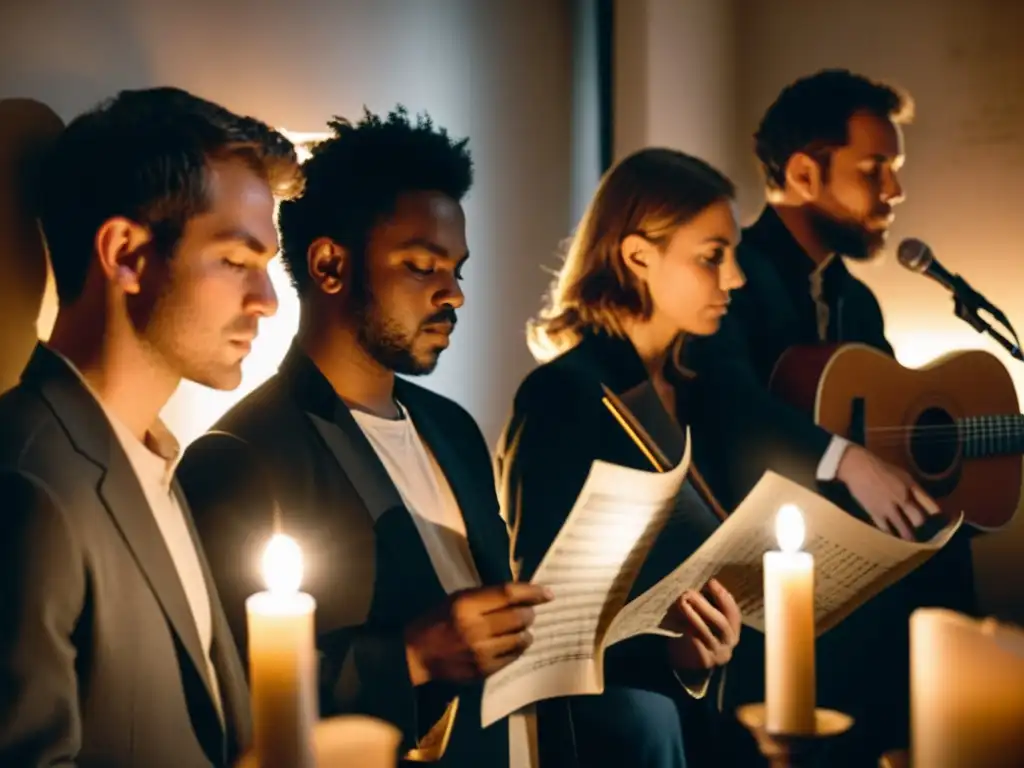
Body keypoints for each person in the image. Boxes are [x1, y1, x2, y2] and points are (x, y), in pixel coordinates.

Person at [177, 107, 550, 768]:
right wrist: (408, 657)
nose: (453, 295)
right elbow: (228, 692)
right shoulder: (240, 459)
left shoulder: (454, 429)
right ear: (328, 265)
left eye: (457, 269)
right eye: (421, 266)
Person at [0, 86, 302, 766]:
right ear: (126, 254)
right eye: (236, 260)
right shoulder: (29, 483)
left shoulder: (150, 459)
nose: (266, 300)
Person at [686, 69, 973, 765]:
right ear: (805, 172)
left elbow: (898, 427)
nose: (895, 192)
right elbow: (725, 399)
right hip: (765, 589)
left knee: (948, 546)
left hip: (862, 589)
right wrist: (845, 459)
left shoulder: (860, 304)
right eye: (875, 170)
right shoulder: (731, 276)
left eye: (894, 172)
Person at [495, 147, 746, 768]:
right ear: (638, 256)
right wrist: (674, 654)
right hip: (622, 709)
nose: (735, 278)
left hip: (724, 688)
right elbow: (541, 612)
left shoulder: (707, 389)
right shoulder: (563, 395)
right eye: (713, 257)